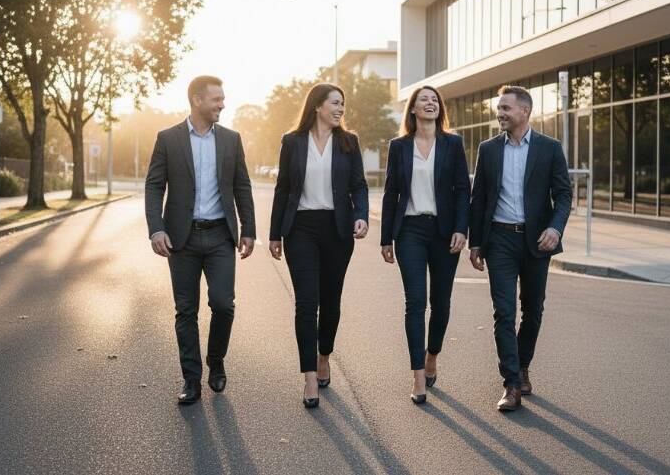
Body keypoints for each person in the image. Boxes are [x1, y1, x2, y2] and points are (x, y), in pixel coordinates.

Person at [144, 75, 256, 405]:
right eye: (216, 99)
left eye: (222, 99)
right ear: (197, 100)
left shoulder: (231, 139)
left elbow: (242, 186)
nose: (222, 104)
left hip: (221, 235)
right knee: (186, 310)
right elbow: (154, 186)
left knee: (223, 304)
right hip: (183, 238)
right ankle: (191, 378)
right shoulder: (168, 138)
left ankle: (216, 360)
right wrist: (156, 228)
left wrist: (248, 228)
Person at [468, 85, 571, 412]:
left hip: (536, 241)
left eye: (505, 108)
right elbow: (478, 198)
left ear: (524, 111)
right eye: (499, 108)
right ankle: (511, 383)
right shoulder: (488, 149)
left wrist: (555, 228)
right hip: (498, 239)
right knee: (504, 312)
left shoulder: (550, 148)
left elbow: (564, 195)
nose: (500, 113)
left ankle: (523, 365)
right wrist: (476, 242)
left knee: (533, 310)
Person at [269, 83, 369, 408]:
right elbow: (283, 189)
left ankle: (324, 353)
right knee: (305, 303)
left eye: (343, 104)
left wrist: (362, 216)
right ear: (318, 106)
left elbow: (359, 185)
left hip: (337, 229)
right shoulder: (292, 141)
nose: (341, 109)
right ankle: (310, 376)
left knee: (331, 301)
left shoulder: (348, 142)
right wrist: (274, 234)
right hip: (300, 229)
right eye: (335, 103)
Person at [380, 85, 469, 405]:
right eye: (423, 101)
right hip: (410, 232)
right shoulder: (399, 146)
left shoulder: (453, 143)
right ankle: (418, 374)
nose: (430, 104)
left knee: (441, 303)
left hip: (445, 232)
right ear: (413, 110)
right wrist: (385, 237)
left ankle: (432, 355)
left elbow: (463, 190)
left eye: (434, 100)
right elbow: (391, 193)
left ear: (439, 108)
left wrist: (462, 228)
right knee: (415, 302)